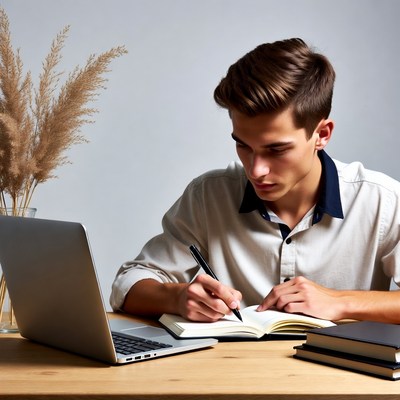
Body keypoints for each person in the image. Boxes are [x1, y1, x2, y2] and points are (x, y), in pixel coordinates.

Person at [111, 38, 400, 324]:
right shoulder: (209, 195)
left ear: (322, 135)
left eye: (276, 149)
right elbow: (129, 284)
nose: (256, 170)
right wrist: (176, 297)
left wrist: (340, 301)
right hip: (229, 369)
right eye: (243, 146)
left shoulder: (381, 201)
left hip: (340, 370)